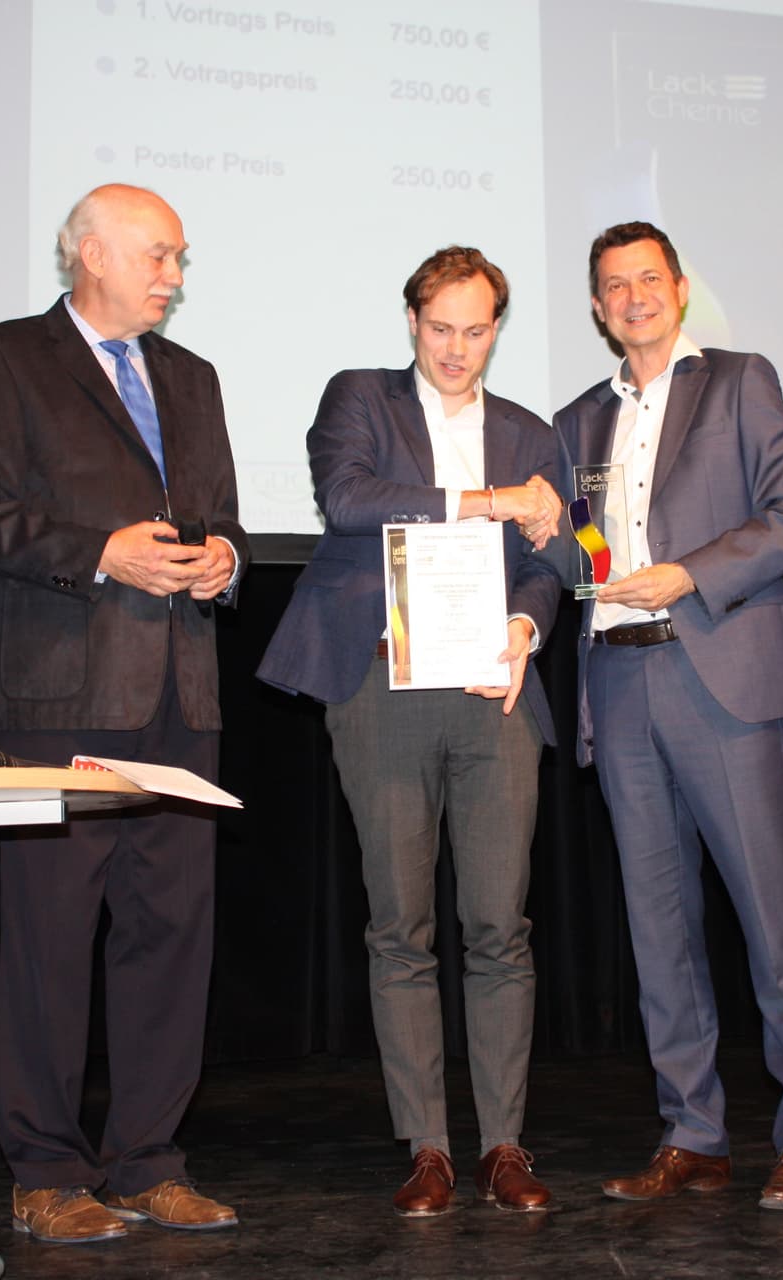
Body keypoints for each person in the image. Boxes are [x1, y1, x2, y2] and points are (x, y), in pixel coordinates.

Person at [0, 183, 248, 1243]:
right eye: (159, 254)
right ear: (92, 254)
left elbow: (224, 518)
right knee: (50, 941)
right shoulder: (4, 356)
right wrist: (99, 553)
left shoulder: (193, 377)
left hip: (181, 692)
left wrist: (226, 559)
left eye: (180, 257)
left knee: (171, 937)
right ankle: (46, 1172)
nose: (174, 275)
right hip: (62, 695)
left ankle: (150, 1161)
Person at [257, 246, 563, 1217]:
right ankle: (428, 1146)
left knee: (500, 925)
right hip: (380, 685)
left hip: (492, 694)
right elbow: (348, 501)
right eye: (439, 328)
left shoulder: (531, 433)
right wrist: (490, 502)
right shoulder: (360, 398)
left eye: (474, 330)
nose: (456, 349)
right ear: (411, 322)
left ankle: (504, 1143)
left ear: (497, 330)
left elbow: (552, 562)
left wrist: (525, 627)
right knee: (401, 926)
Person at [554, 221, 783, 1211]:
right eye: (614, 285)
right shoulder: (576, 421)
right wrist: (544, 535)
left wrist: (688, 573)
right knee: (659, 927)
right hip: (617, 679)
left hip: (720, 672)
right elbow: (584, 549)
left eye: (648, 278)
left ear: (679, 289)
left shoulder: (739, 382)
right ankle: (694, 1132)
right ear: (598, 308)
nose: (633, 297)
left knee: (773, 914)